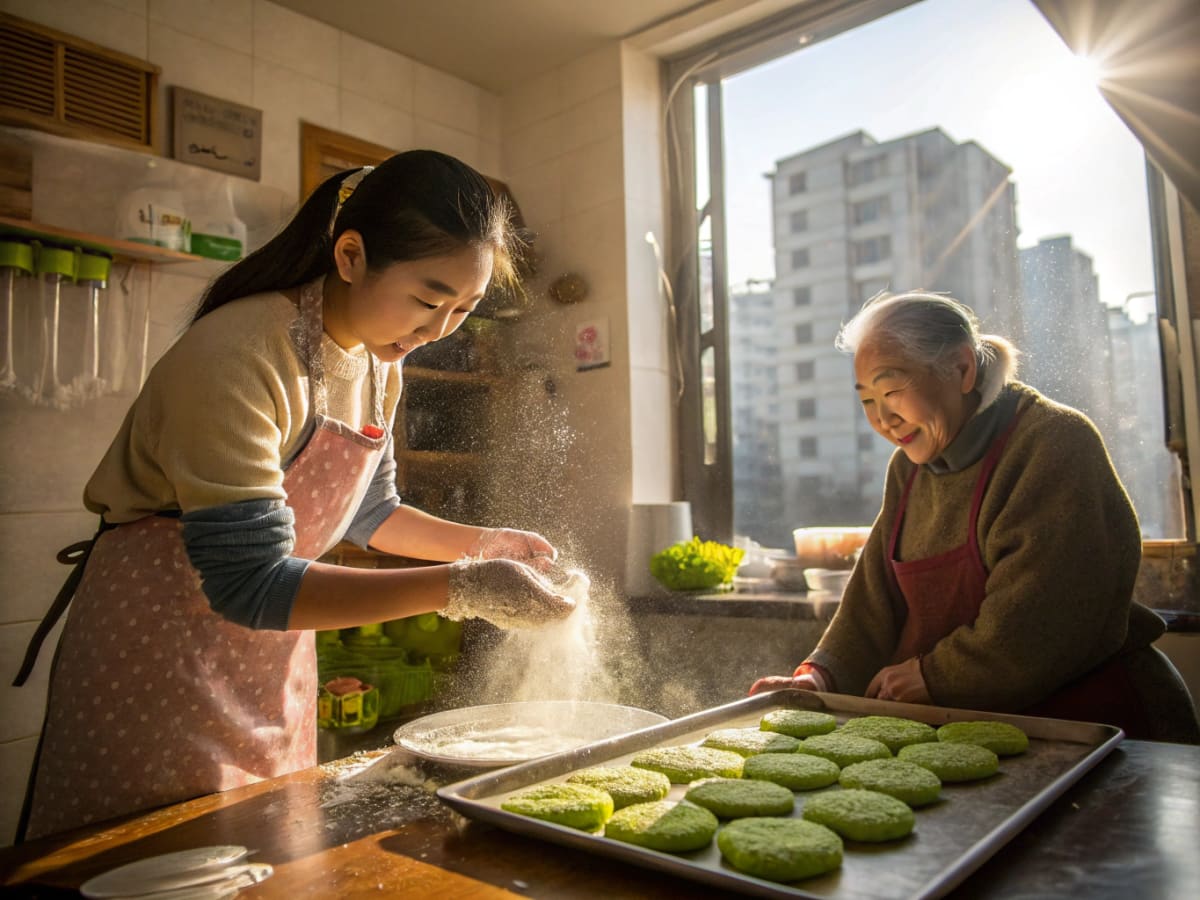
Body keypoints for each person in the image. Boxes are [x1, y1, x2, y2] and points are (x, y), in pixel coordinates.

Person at [15, 151, 580, 841]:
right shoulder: (241, 353)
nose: (437, 331)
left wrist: (481, 544)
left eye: (463, 309)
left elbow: (370, 512)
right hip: (159, 655)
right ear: (350, 255)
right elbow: (248, 581)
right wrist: (461, 587)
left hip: (271, 658)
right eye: (429, 300)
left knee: (265, 855)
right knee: (146, 860)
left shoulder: (379, 362)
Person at [749, 290, 1200, 744]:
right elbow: (873, 598)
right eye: (867, 400)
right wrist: (820, 677)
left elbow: (1043, 619)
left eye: (891, 391)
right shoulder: (909, 468)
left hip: (1101, 723)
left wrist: (935, 675)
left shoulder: (1053, 443)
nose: (883, 418)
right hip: (978, 722)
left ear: (962, 369)